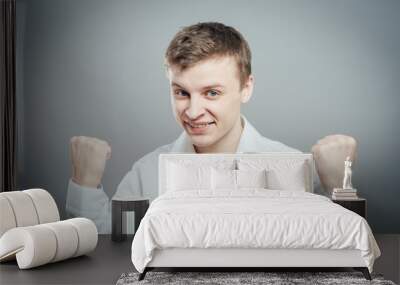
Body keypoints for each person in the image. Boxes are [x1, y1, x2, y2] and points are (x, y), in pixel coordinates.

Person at [66, 22, 357, 234]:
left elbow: (338, 243)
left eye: (212, 93)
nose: (192, 112)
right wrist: (85, 184)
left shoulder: (294, 167)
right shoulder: (146, 172)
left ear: (246, 88)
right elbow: (111, 242)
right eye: (181, 92)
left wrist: (338, 187)